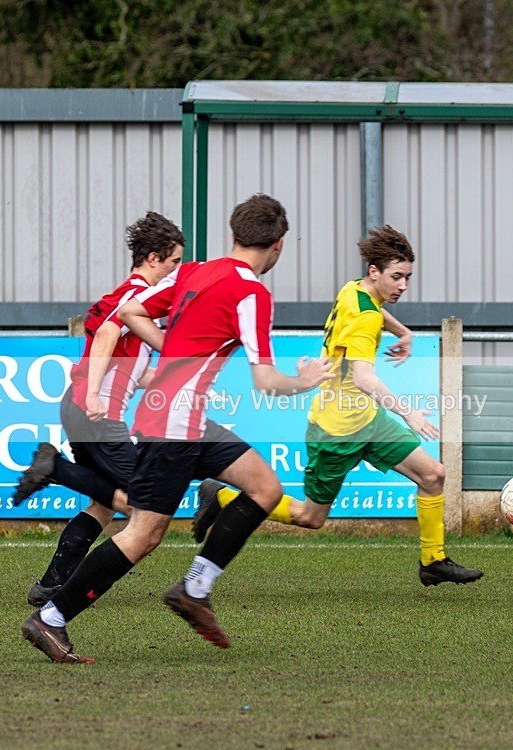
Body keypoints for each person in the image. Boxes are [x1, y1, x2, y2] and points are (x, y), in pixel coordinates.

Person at [21, 193, 333, 664]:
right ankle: (51, 618)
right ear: (280, 246)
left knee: (265, 488)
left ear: (233, 234)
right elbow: (266, 380)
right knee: (144, 533)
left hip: (177, 415)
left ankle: (194, 590)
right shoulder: (252, 293)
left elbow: (130, 313)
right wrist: (304, 382)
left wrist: (173, 353)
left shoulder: (194, 271)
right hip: (176, 423)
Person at [194, 225, 483, 587]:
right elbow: (364, 377)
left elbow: (375, 307)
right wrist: (408, 411)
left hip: (368, 422)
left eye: (407, 278)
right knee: (311, 518)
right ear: (374, 272)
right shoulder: (366, 317)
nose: (403, 286)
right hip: (336, 430)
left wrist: (404, 333)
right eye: (397, 277)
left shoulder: (354, 289)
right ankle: (220, 496)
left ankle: (433, 561)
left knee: (433, 475)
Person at [15, 211, 184, 607]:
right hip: (95, 412)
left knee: (106, 503)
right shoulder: (137, 295)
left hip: (84, 407)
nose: (177, 270)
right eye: (174, 261)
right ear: (154, 258)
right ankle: (55, 468)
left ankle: (50, 585)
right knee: (142, 503)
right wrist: (94, 395)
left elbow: (128, 367)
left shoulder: (133, 296)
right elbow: (108, 332)